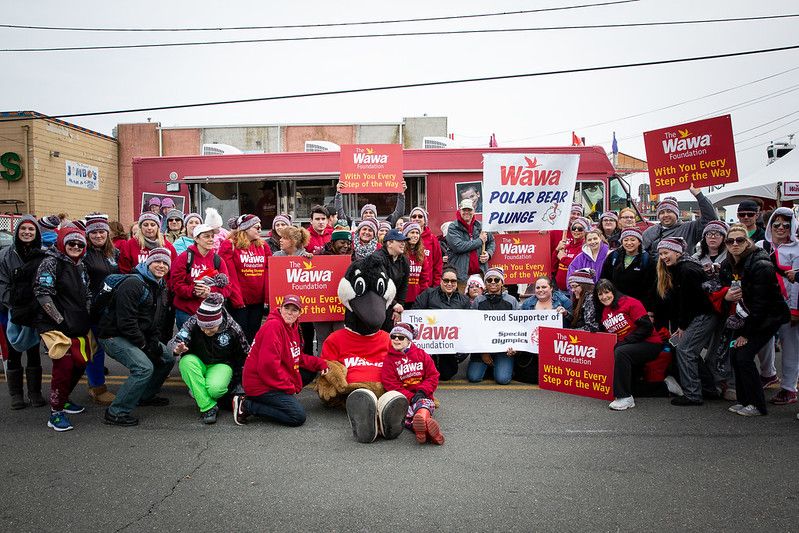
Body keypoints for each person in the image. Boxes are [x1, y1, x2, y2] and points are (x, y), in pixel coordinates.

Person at [97, 248, 175, 427]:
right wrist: (144, 346)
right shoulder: (133, 283)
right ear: (148, 263)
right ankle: (116, 412)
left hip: (139, 335)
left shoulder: (161, 285)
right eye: (157, 261)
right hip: (113, 335)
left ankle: (145, 396)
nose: (161, 266)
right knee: (143, 368)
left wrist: (154, 343)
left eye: (165, 263)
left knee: (168, 358)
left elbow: (157, 320)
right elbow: (126, 322)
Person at [718, 224, 789, 416]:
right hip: (744, 316)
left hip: (767, 317)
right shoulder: (727, 264)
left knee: (744, 356)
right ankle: (744, 400)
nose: (735, 244)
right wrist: (726, 297)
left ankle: (757, 405)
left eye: (740, 240)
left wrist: (746, 334)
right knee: (735, 355)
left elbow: (761, 304)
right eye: (730, 241)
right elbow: (724, 290)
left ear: (747, 242)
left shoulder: (760, 264)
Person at [234, 295, 330, 426]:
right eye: (287, 308)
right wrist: (289, 386)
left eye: (294, 310)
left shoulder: (293, 326)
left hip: (270, 377)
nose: (290, 312)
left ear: (300, 313)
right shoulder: (273, 326)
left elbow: (296, 355)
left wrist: (320, 363)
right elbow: (268, 366)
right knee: (297, 416)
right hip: (259, 384)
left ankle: (279, 398)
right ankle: (246, 405)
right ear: (280, 308)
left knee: (311, 370)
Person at [35, 224, 94, 432]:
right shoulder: (50, 262)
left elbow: (87, 293)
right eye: (71, 242)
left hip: (78, 324)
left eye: (80, 244)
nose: (76, 246)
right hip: (55, 326)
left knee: (81, 363)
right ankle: (56, 412)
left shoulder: (81, 265)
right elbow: (43, 294)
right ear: (62, 242)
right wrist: (59, 320)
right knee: (63, 368)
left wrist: (87, 313)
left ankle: (64, 398)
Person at [653, 237, 717, 406]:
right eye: (661, 254)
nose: (663, 257)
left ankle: (693, 394)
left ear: (677, 252)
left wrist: (682, 326)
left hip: (702, 314)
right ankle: (709, 388)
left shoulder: (687, 269)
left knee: (685, 350)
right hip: (697, 315)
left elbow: (688, 301)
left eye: (666, 253)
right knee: (687, 350)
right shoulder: (679, 267)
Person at [171, 293, 249, 424]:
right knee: (185, 362)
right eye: (202, 327)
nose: (206, 331)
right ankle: (208, 407)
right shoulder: (193, 322)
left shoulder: (233, 328)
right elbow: (176, 340)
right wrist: (176, 348)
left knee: (215, 391)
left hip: (222, 364)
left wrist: (241, 384)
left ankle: (199, 391)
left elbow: (245, 353)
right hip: (197, 361)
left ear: (219, 321)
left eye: (210, 327)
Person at [0, 215, 46, 409]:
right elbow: (2, 283)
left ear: (36, 233)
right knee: (14, 352)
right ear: (17, 231)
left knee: (34, 351)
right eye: (23, 229)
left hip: (35, 309)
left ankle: (35, 392)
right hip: (12, 310)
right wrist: (14, 304)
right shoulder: (5, 255)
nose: (27, 232)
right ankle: (16, 394)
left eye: (31, 229)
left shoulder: (43, 254)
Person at [596, 279, 664, 411]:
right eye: (600, 294)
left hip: (650, 343)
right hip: (629, 347)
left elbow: (647, 327)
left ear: (613, 291)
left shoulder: (630, 303)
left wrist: (625, 341)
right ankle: (666, 386)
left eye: (607, 292)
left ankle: (624, 397)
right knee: (634, 387)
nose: (604, 297)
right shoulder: (604, 311)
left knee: (621, 351)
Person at [757, 208, 799, 405]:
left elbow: (797, 283)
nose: (781, 228)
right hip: (766, 306)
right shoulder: (761, 246)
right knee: (762, 340)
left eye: (786, 224)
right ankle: (768, 374)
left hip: (788, 306)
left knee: (790, 346)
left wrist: (795, 310)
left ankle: (789, 388)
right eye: (776, 224)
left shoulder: (797, 249)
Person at [381, 322, 444, 445]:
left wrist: (422, 391)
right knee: (401, 417)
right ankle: (427, 430)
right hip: (404, 400)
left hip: (422, 396)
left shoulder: (421, 354)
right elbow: (390, 384)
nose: (396, 340)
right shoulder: (389, 360)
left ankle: (421, 426)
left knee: (423, 404)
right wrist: (410, 397)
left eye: (401, 337)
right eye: (393, 337)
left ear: (409, 339)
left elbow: (433, 376)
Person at [82, 214, 118, 406]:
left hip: (108, 308)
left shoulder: (112, 253)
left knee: (99, 347)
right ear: (88, 235)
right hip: (90, 309)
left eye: (101, 231)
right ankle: (97, 388)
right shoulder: (83, 253)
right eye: (94, 232)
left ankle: (94, 383)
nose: (98, 235)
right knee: (94, 349)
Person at [219, 214, 271, 343]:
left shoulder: (263, 246)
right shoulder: (230, 245)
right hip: (239, 301)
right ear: (246, 228)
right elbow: (229, 275)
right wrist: (237, 300)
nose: (260, 230)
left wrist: (267, 298)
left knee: (253, 334)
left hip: (257, 301)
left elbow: (269, 271)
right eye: (256, 227)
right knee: (239, 335)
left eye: (260, 227)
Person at [171, 223, 232, 330]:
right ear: (196, 239)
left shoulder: (218, 260)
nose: (211, 240)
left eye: (212, 236)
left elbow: (227, 288)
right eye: (206, 236)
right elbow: (175, 285)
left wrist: (210, 292)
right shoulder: (184, 258)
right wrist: (194, 290)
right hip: (186, 312)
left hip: (211, 314)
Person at [415, 265, 471, 381]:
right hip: (429, 343)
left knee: (447, 375)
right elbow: (415, 314)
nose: (449, 284)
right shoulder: (428, 294)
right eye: (446, 280)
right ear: (441, 281)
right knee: (427, 373)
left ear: (457, 282)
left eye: (453, 281)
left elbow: (468, 327)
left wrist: (462, 351)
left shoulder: (464, 300)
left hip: (449, 345)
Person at [467, 267, 518, 385]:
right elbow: (473, 326)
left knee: (502, 379)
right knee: (473, 377)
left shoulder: (512, 301)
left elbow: (518, 325)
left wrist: (515, 346)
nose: (493, 282)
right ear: (485, 283)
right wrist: (482, 352)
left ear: (502, 282)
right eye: (489, 280)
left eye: (496, 280)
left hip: (503, 349)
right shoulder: (478, 301)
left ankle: (500, 366)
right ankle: (492, 366)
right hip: (482, 347)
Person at [518, 276, 571, 383]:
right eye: (537, 288)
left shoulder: (564, 301)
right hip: (534, 345)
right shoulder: (527, 303)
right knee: (532, 379)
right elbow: (520, 324)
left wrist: (566, 313)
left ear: (551, 288)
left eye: (544, 287)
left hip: (556, 346)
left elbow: (573, 321)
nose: (540, 290)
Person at [642, 184, 718, 255]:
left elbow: (710, 219)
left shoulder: (689, 229)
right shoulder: (649, 232)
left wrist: (699, 195)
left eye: (669, 211)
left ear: (676, 214)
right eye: (662, 212)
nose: (665, 215)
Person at [314, 224, 352, 352]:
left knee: (341, 341)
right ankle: (323, 364)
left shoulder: (353, 258)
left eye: (348, 243)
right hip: (322, 307)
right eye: (342, 242)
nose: (346, 246)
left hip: (342, 308)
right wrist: (307, 258)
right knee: (323, 340)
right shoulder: (319, 257)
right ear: (333, 243)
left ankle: (340, 365)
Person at [599, 227, 656, 310]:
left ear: (639, 242)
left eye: (633, 240)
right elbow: (604, 279)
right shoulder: (614, 256)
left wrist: (649, 309)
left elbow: (651, 287)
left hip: (637, 305)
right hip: (615, 303)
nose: (629, 243)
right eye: (626, 240)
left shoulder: (646, 260)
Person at [446, 199, 495, 291]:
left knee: (480, 299)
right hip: (461, 277)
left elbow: (491, 241)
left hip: (480, 274)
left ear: (474, 211)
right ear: (459, 210)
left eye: (469, 210)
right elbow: (458, 247)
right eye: (464, 210)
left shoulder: (481, 226)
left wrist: (488, 254)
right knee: (462, 299)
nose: (467, 212)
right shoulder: (453, 227)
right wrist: (480, 241)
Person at [372, 229, 410, 331]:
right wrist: (394, 304)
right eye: (400, 241)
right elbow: (379, 286)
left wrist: (399, 308)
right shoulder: (377, 258)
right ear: (389, 243)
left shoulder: (404, 260)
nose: (403, 244)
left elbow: (404, 286)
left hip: (393, 305)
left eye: (404, 241)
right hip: (376, 304)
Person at [334, 180, 406, 227]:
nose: (368, 214)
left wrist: (401, 194)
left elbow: (398, 213)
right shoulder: (353, 226)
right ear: (361, 216)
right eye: (365, 213)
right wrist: (339, 193)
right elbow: (339, 213)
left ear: (375, 215)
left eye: (371, 212)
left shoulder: (384, 226)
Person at [553, 216, 590, 291]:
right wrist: (556, 250)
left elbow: (578, 265)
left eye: (580, 229)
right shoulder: (566, 246)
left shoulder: (585, 248)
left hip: (573, 290)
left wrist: (563, 259)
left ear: (585, 231)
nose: (576, 230)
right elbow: (553, 264)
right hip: (559, 289)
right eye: (574, 228)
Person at [409, 207, 444, 287]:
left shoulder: (432, 239)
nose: (417, 218)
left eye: (420, 216)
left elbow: (438, 264)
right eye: (414, 216)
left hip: (428, 286)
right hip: (409, 287)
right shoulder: (405, 239)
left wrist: (436, 285)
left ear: (425, 220)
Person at [401, 222, 430, 309]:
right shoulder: (400, 254)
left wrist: (423, 296)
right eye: (412, 232)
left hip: (417, 299)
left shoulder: (421, 255)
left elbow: (424, 279)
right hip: (401, 298)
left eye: (417, 233)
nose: (415, 235)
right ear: (406, 234)